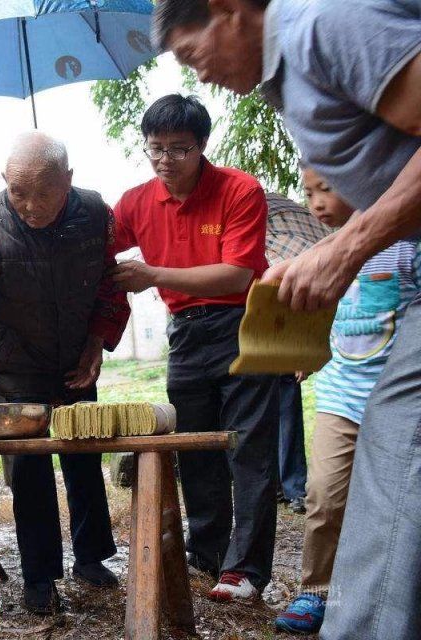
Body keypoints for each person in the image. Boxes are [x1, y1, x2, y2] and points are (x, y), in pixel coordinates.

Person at [153, 1, 421, 634]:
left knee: (396, 447)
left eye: (194, 54)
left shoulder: (324, 26)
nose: (201, 76)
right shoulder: (286, 73)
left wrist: (348, 247)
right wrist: (340, 256)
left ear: (227, 10)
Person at [0, 132, 130, 614]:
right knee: (31, 466)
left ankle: (91, 556)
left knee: (84, 448)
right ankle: (40, 578)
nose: (29, 205)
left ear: (68, 180)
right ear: (5, 182)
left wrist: (96, 344)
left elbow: (108, 281)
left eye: (44, 192)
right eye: (18, 192)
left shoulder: (94, 213)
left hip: (74, 356)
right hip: (15, 361)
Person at [111, 95, 278, 601]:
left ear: (203, 146)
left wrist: (153, 274)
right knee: (193, 446)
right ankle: (206, 553)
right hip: (184, 331)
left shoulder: (239, 189)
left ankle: (245, 569)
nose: (166, 160)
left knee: (249, 448)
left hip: (244, 323)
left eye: (179, 149)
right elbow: (98, 251)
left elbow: (238, 273)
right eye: (155, 148)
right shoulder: (136, 201)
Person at [274, 168, 421, 634]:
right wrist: (306, 353)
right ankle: (319, 591)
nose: (316, 202)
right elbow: (315, 318)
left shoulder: (407, 246)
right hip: (340, 396)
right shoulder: (319, 252)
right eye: (308, 190)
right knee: (324, 497)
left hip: (393, 401)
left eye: (327, 187)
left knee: (389, 504)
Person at [265, 192, 312, 514]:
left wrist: (300, 355)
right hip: (240, 352)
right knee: (255, 426)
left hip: (279, 349)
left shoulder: (284, 260)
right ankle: (272, 487)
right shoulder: (228, 257)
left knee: (287, 420)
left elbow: (298, 309)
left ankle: (294, 487)